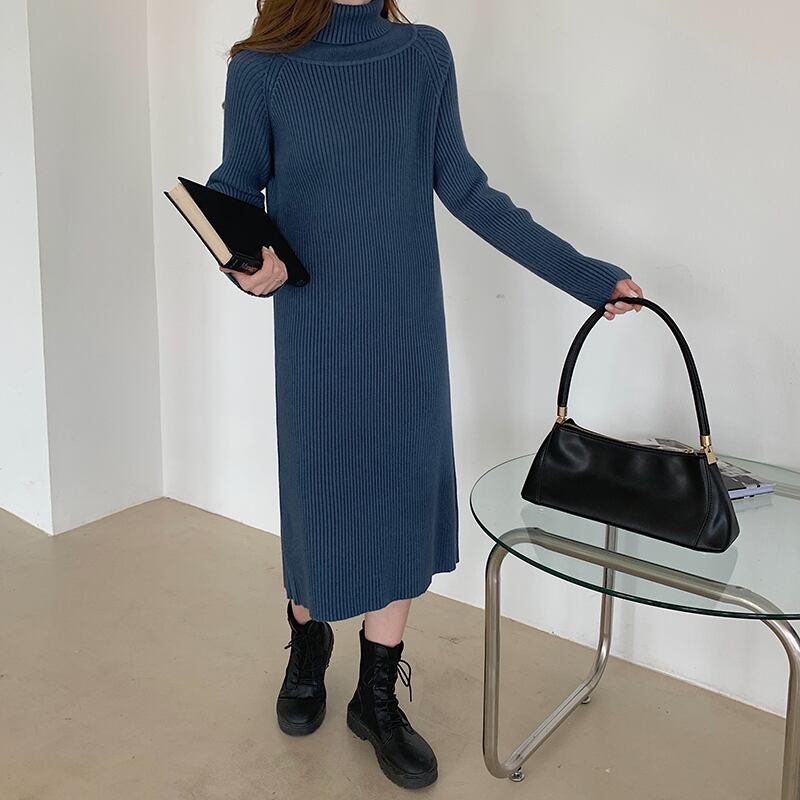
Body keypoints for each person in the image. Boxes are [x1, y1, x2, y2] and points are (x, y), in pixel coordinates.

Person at [205, 0, 643, 789]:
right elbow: (233, 189)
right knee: (318, 495)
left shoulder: (422, 56)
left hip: (406, 332)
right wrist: (246, 263)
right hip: (315, 328)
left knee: (403, 499)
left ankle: (376, 693)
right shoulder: (261, 69)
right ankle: (308, 643)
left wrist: (587, 277)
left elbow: (467, 190)